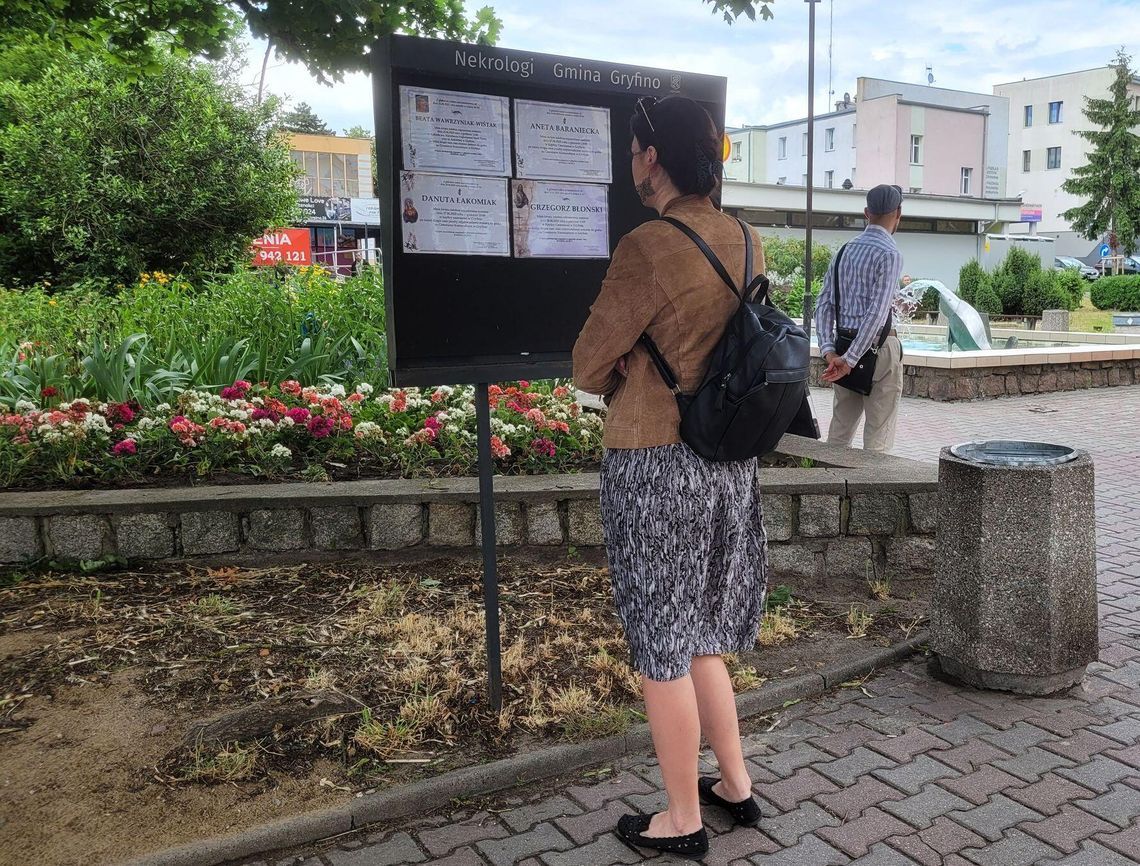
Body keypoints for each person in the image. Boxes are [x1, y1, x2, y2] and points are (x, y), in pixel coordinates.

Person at [572, 95, 767, 862]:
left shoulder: (648, 245)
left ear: (652, 157)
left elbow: (588, 362)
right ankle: (735, 785)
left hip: (655, 460)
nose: (630, 160)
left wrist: (625, 361)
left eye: (633, 149)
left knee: (661, 640)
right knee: (704, 635)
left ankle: (682, 818)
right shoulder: (747, 238)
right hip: (728, 463)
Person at [814, 183, 905, 452]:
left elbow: (823, 304)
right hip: (879, 350)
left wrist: (831, 352)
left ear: (867, 212)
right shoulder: (889, 253)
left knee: (840, 433)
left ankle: (829, 490)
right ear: (898, 213)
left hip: (842, 346)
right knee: (878, 436)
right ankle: (871, 493)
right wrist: (851, 360)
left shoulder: (844, 251)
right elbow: (877, 312)